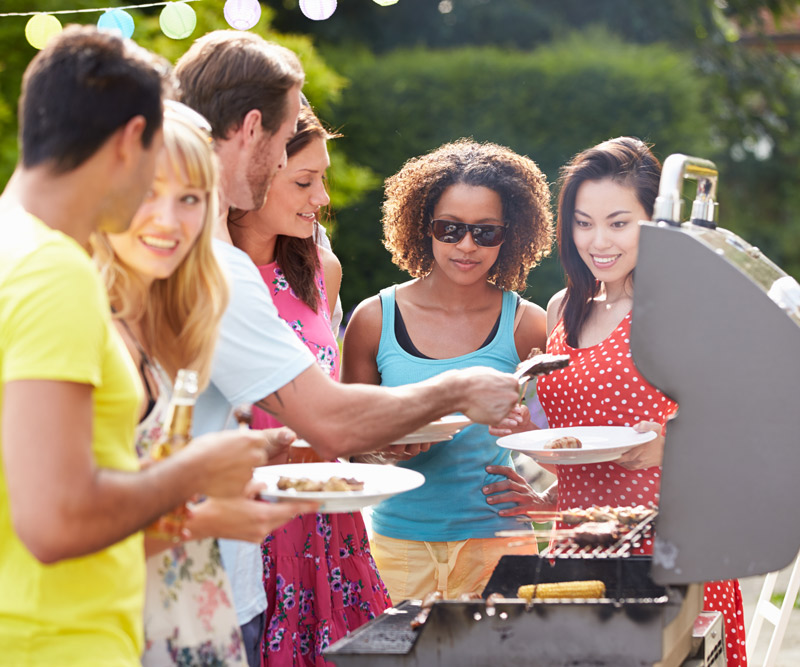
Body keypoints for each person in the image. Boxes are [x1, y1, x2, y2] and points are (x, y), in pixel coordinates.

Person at [175, 30, 521, 663]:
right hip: (223, 549)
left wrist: (373, 441)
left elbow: (322, 417)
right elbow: (325, 412)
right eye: (292, 164)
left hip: (300, 538)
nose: (321, 198)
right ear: (253, 134)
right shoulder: (205, 267)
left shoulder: (304, 267)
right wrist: (458, 388)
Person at [0, 27, 276, 665]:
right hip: (60, 643)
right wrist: (200, 470)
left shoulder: (14, 247)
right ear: (131, 140)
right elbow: (55, 521)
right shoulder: (53, 270)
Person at [485, 136, 747, 667]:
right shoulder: (564, 307)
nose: (598, 241)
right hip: (580, 551)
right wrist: (547, 490)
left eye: (619, 222)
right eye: (583, 222)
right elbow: (584, 444)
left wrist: (670, 446)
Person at [92, 104, 315, 665]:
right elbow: (57, 530)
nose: (170, 219)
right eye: (148, 191)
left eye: (191, 198)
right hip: (117, 632)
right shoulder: (76, 316)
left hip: (197, 616)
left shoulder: (161, 314)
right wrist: (206, 510)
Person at [340, 139, 554, 600]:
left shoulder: (526, 324)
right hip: (396, 546)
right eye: (450, 228)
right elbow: (348, 442)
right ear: (424, 227)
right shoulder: (374, 319)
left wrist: (543, 493)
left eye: (486, 232)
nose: (467, 245)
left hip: (498, 544)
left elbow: (560, 437)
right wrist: (385, 450)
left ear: (511, 233)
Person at [229, 106, 391, 665]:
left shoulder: (323, 268)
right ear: (251, 172)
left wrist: (378, 441)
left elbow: (327, 400)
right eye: (305, 180)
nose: (321, 197)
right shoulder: (198, 277)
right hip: (245, 527)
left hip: (328, 524)